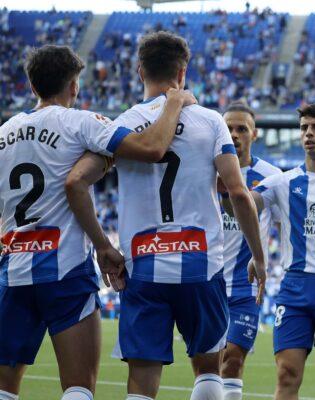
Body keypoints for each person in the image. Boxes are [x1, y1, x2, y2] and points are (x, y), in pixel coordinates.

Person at [65, 31, 267, 400]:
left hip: (143, 264)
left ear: (140, 71)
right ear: (183, 71)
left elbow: (77, 182)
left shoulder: (122, 124)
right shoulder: (210, 121)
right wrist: (258, 256)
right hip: (201, 264)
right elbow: (238, 192)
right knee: (209, 369)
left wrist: (101, 246)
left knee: (142, 379)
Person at [0, 44, 193, 400]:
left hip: (12, 269)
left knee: (5, 389)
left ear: (32, 87)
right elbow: (152, 148)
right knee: (78, 388)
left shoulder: (5, 133)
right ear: (74, 86)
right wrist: (174, 103)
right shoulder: (80, 122)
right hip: (65, 269)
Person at [245, 104, 315, 400]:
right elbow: (246, 203)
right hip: (294, 287)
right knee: (286, 375)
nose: (309, 133)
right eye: (305, 128)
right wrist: (231, 188)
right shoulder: (283, 181)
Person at [219, 102, 281, 400]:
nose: (234, 134)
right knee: (207, 366)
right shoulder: (206, 171)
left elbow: (285, 225)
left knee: (232, 360)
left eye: (241, 129)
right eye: (228, 128)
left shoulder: (271, 176)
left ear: (253, 134)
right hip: (208, 281)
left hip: (246, 285)